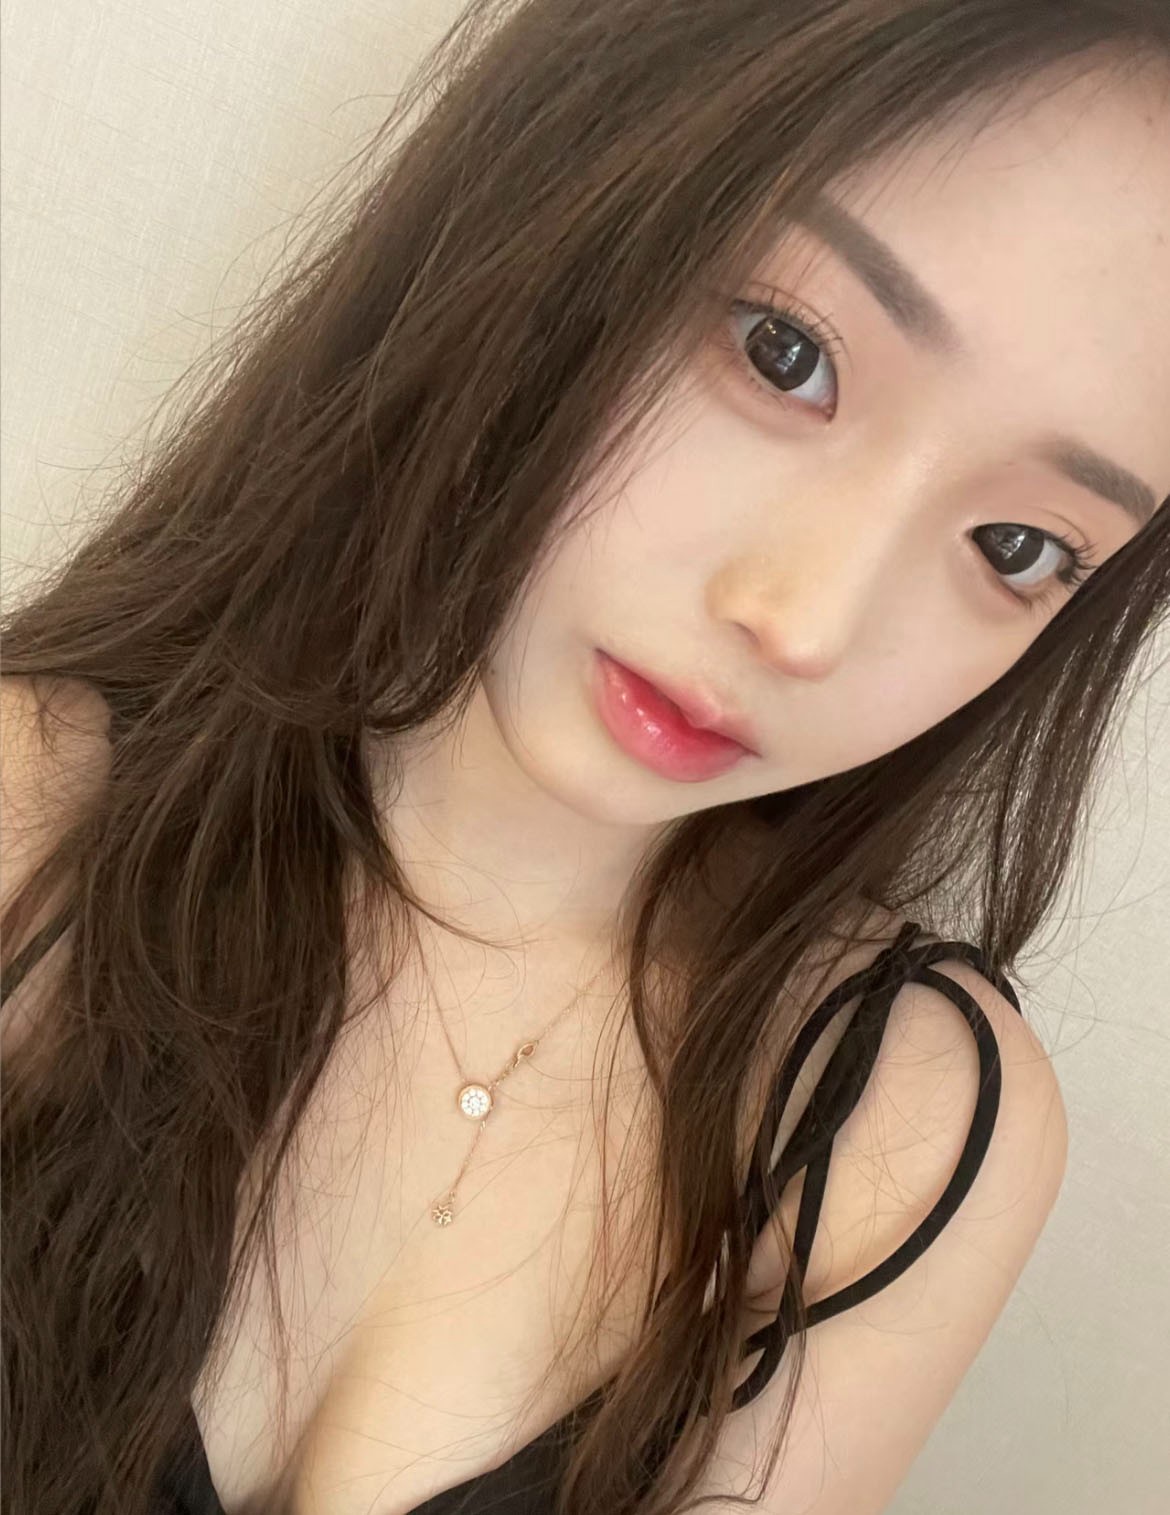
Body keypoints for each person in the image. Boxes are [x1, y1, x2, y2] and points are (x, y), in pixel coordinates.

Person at [2, 2, 1167, 1512]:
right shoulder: (32, 818)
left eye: (1016, 545)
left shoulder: (886, 1125)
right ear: (564, 192)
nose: (803, 623)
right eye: (784, 353)